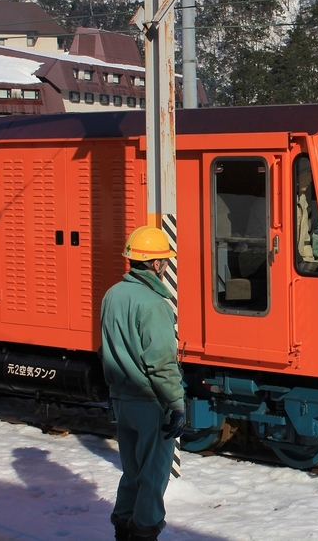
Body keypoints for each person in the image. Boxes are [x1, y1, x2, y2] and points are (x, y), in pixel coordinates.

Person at [100, 226, 185, 541]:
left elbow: (104, 348)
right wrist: (176, 403)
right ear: (157, 264)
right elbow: (161, 364)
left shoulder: (113, 294)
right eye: (164, 260)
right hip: (150, 402)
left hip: (122, 398)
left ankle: (123, 529)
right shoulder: (153, 304)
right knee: (152, 475)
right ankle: (145, 533)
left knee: (132, 472)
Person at [295, 157, 318, 272]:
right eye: (308, 174)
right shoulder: (280, 204)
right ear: (296, 175)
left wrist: (310, 262)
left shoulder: (302, 200)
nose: (310, 179)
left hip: (298, 261)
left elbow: (305, 240)